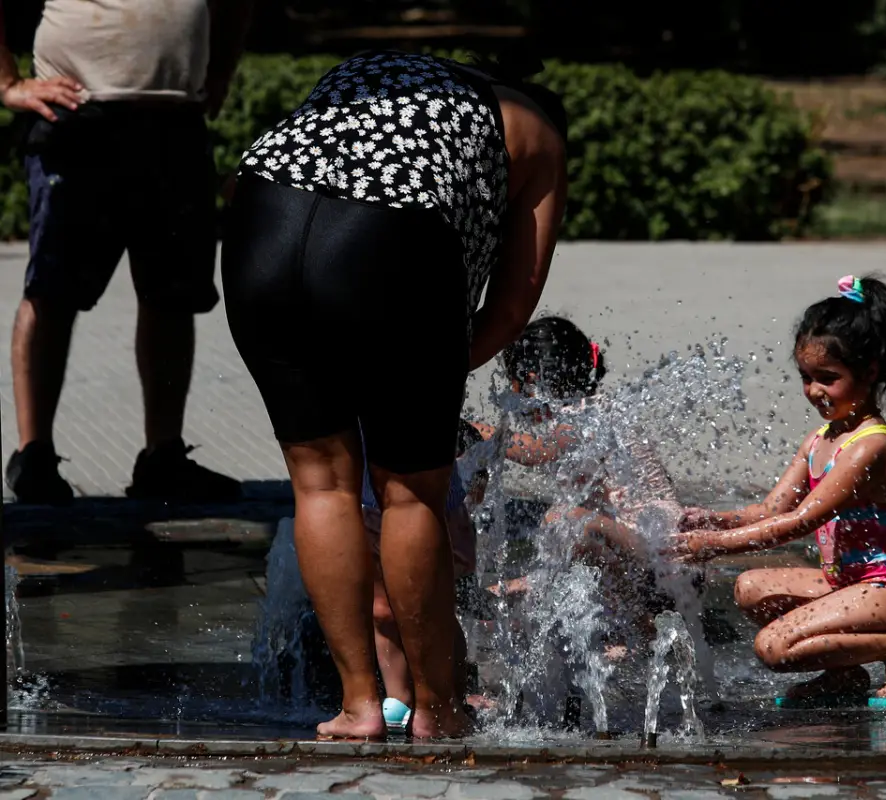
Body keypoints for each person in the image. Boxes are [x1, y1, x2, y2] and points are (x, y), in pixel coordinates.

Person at [220, 50, 568, 739]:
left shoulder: (379, 68)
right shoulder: (537, 128)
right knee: (410, 491)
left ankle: (358, 707)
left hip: (260, 218)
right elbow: (513, 301)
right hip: (389, 236)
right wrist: (427, 375)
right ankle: (438, 709)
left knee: (320, 484)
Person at [0, 0, 252, 505]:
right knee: (51, 292)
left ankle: (163, 456)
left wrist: (220, 70)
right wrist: (7, 84)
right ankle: (34, 455)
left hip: (175, 120)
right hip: (76, 115)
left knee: (172, 295)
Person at [669, 276, 886, 707]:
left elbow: (800, 521)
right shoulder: (820, 439)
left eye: (827, 378)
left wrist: (712, 545)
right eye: (806, 377)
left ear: (869, 372)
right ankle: (843, 676)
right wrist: (711, 519)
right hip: (846, 583)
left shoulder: (870, 445)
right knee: (749, 587)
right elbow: (771, 508)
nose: (814, 391)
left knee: (773, 647)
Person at [470, 316, 699, 641]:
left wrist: (472, 429)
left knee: (563, 521)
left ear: (532, 381)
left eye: (514, 385)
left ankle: (641, 632)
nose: (511, 395)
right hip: (654, 562)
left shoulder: (585, 415)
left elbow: (537, 452)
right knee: (512, 603)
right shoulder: (596, 410)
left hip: (666, 562)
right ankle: (627, 626)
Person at [360, 421, 486, 733]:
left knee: (432, 608)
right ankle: (399, 701)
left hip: (426, 499)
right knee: (382, 609)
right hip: (369, 495)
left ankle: (449, 699)